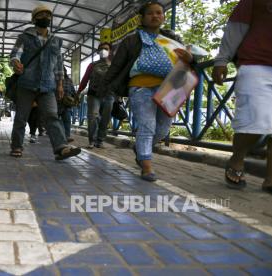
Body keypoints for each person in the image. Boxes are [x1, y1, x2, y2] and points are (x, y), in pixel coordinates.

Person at [101, 1, 194, 181]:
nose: (155, 16)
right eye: (150, 13)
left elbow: (187, 63)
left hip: (170, 87)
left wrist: (190, 58)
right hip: (141, 86)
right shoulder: (132, 40)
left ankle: (141, 148)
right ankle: (146, 165)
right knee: (147, 125)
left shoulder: (173, 39)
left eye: (159, 13)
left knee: (163, 128)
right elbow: (117, 65)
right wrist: (106, 88)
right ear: (142, 18)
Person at [211, 0, 272, 192]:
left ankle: (270, 178)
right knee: (253, 119)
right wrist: (222, 60)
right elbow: (236, 27)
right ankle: (237, 158)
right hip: (256, 63)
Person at [9, 4, 81, 160]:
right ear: (34, 19)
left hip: (48, 85)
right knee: (21, 116)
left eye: (48, 16)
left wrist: (60, 84)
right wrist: (16, 63)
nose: (46, 18)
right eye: (41, 15)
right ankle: (16, 146)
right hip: (27, 83)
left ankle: (61, 148)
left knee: (52, 115)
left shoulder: (55, 41)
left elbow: (58, 64)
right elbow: (15, 54)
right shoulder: (25, 37)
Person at [76, 42, 113, 148]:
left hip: (109, 95)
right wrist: (79, 92)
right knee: (93, 117)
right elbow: (85, 79)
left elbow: (117, 80)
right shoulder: (92, 65)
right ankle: (92, 140)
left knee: (105, 118)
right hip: (94, 94)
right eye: (101, 49)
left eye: (106, 48)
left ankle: (100, 140)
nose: (103, 51)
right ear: (97, 52)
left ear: (110, 51)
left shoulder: (114, 66)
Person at [59, 66, 76, 142]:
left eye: (64, 71)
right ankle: (58, 135)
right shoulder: (54, 80)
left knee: (67, 120)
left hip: (66, 103)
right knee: (56, 120)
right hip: (57, 103)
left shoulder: (69, 80)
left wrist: (74, 99)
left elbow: (72, 90)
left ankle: (67, 136)